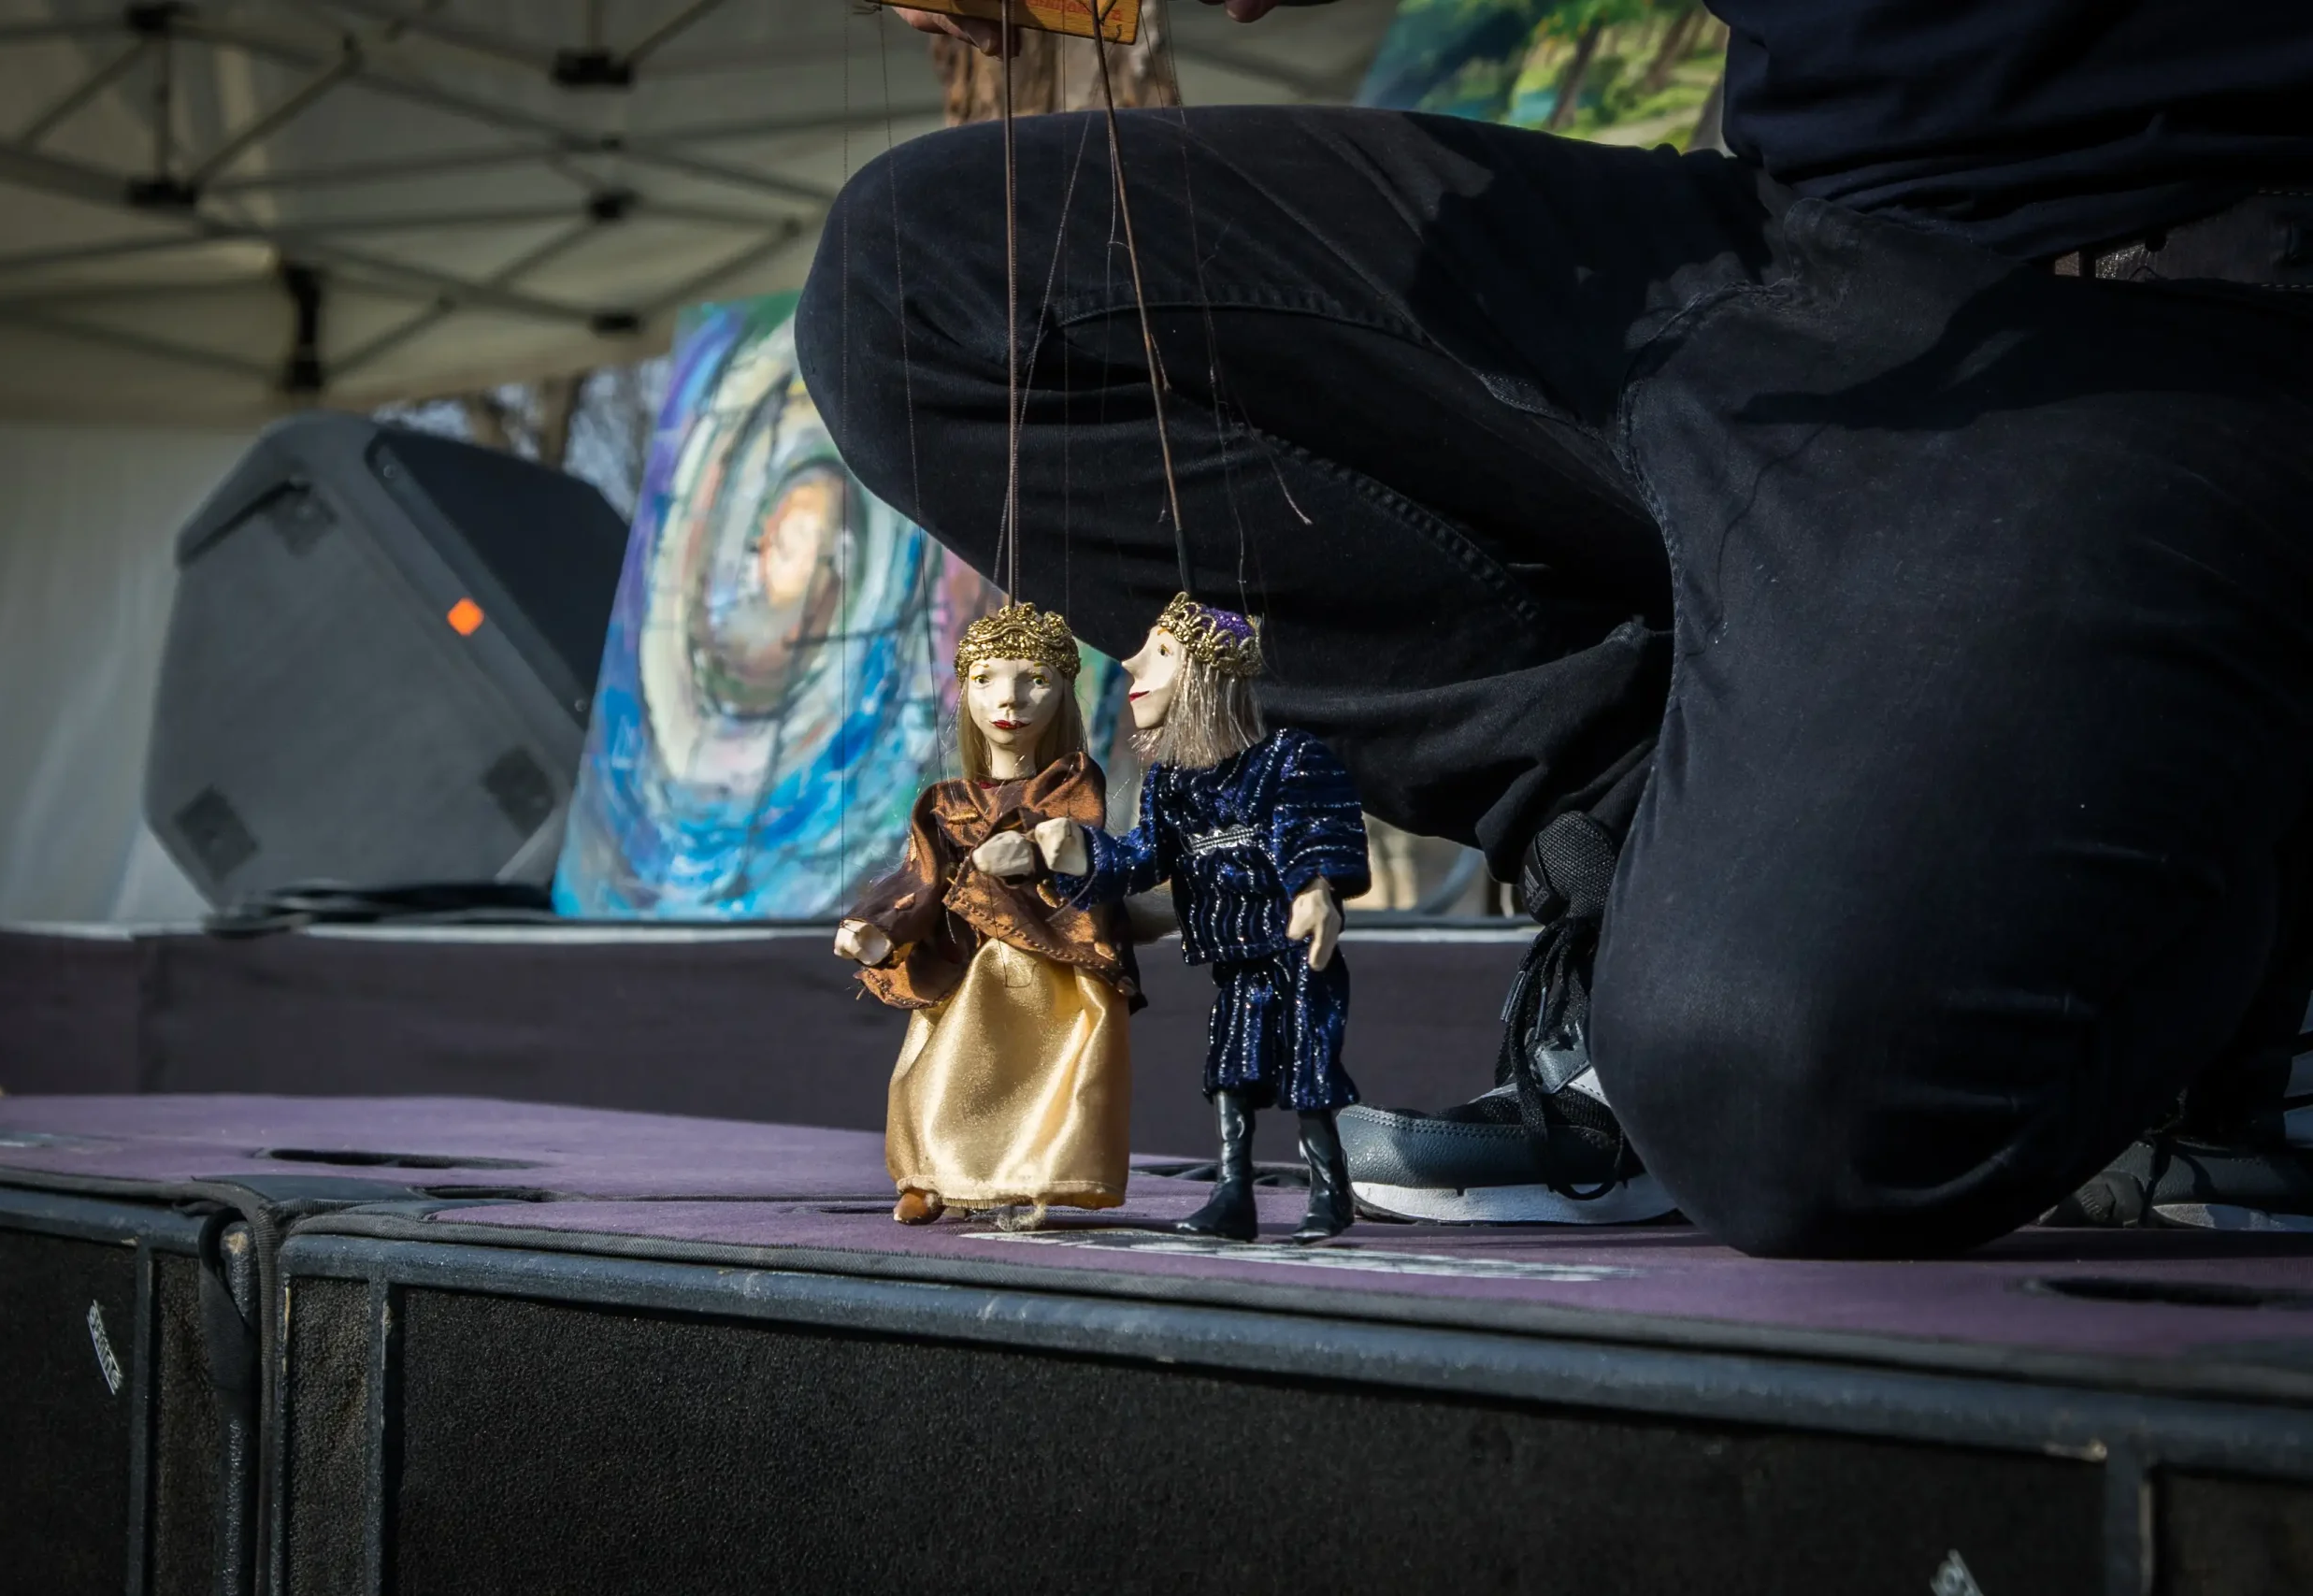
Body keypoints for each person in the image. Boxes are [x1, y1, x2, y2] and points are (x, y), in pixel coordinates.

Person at [802, 1, 2313, 1257]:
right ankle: (1642, 825)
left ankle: (2225, 920)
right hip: (1799, 253)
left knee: (1783, 1101)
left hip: (2177, 308)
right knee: (919, 287)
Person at [1032, 592, 1372, 1243]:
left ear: (1207, 675)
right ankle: (1232, 1196)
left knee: (1309, 1065)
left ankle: (1331, 1195)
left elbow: (1315, 830)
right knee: (1231, 1073)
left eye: (1162, 652)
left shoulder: (1288, 757)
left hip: (1296, 952)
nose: (1133, 665)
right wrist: (1077, 851)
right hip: (1235, 960)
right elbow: (1143, 858)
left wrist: (1316, 889)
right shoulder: (1172, 782)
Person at [834, 602, 1137, 1229]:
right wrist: (879, 930)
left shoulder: (1069, 780)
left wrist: (1032, 852)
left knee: (1040, 1074)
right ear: (966, 690)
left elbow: (1075, 838)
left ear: (1062, 694)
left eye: (1035, 681)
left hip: (1044, 954)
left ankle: (1031, 1174)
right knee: (939, 1069)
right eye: (986, 680)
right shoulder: (946, 801)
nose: (1010, 699)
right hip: (963, 957)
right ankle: (929, 1172)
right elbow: (919, 880)